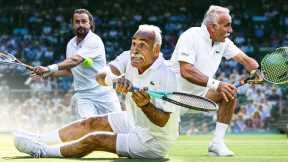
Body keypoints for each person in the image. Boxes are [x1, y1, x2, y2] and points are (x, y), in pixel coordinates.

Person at [14, 24, 180, 159]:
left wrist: (145, 105)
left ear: (156, 50)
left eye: (142, 45)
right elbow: (101, 75)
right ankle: (39, 139)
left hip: (154, 140)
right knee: (90, 123)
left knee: (96, 139)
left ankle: (43, 151)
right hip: (134, 120)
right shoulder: (127, 57)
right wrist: (115, 80)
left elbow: (162, 121)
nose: (135, 50)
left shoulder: (167, 75)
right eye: (134, 43)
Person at [169, 5, 259, 156]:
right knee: (155, 145)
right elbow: (186, 71)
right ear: (212, 27)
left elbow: (244, 59)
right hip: (172, 97)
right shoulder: (190, 35)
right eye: (227, 25)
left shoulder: (223, 42)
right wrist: (217, 84)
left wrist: (256, 70)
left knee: (229, 93)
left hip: (199, 95)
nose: (231, 30)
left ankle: (217, 144)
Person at [33, 9, 121, 118]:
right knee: (88, 127)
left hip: (103, 92)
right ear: (73, 24)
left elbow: (75, 61)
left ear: (90, 24)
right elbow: (70, 70)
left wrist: (49, 68)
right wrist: (47, 74)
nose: (80, 25)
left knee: (118, 128)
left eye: (84, 21)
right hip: (84, 96)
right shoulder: (70, 44)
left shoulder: (94, 40)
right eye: (77, 22)